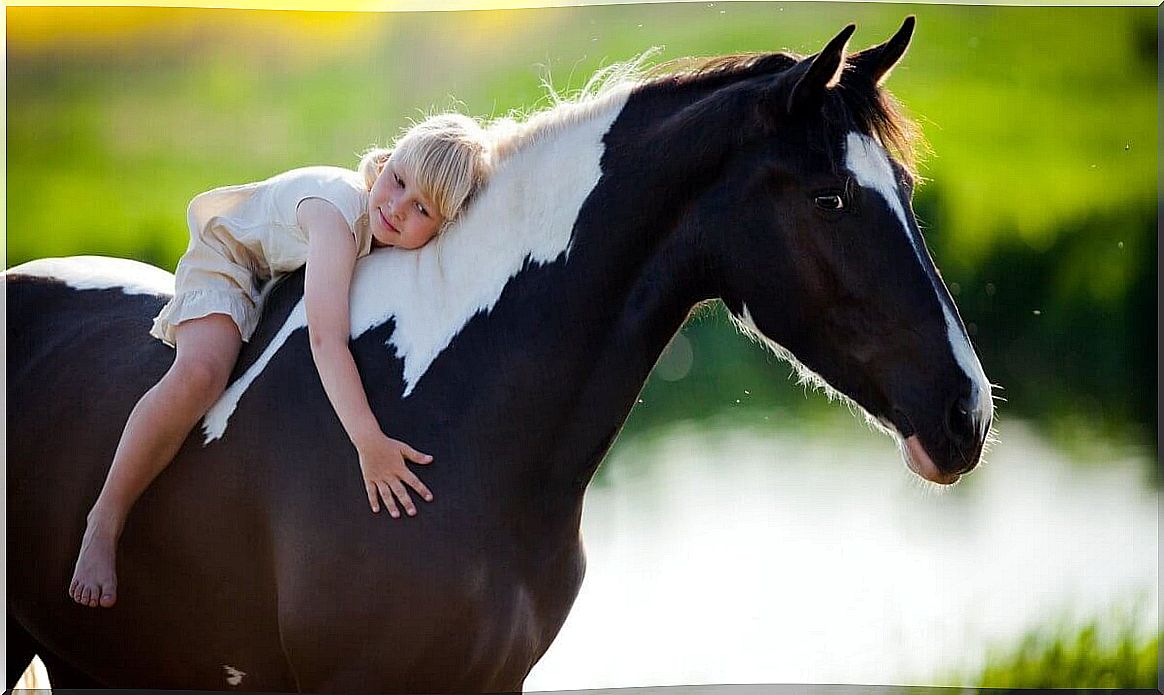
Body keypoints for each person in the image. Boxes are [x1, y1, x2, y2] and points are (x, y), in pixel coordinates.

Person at [68, 113, 492, 609]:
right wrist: (368, 440)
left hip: (279, 276)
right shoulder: (337, 219)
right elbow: (325, 340)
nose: (397, 207)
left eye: (421, 208)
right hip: (232, 261)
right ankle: (105, 518)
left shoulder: (385, 229)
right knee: (202, 375)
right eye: (398, 181)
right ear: (389, 159)